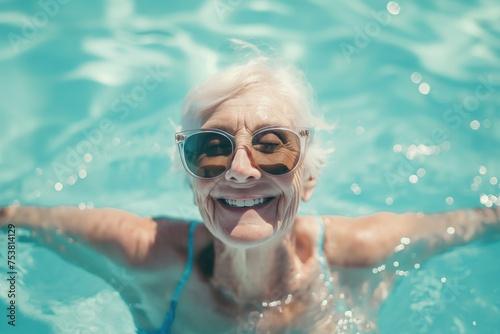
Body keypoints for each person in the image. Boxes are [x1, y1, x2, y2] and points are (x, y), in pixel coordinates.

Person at [1, 53, 499, 334]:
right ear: (189, 176)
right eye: (211, 150)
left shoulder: (361, 253)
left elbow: (482, 222)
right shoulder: (146, 252)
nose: (240, 171)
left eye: (272, 146)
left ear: (308, 174)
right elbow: (15, 220)